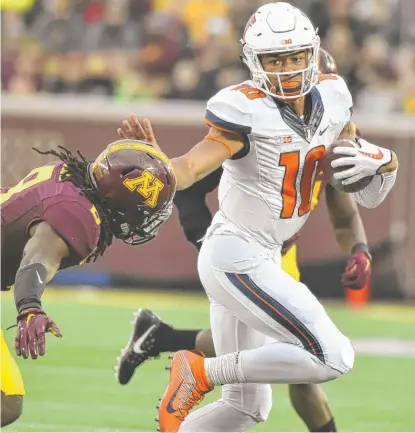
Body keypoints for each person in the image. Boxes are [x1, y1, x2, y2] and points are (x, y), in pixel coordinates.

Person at [118, 3, 398, 432]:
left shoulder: (337, 98)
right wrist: (158, 165)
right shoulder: (245, 108)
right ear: (254, 62)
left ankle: (199, 376)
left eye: (295, 57)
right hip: (236, 253)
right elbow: (192, 166)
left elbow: (343, 181)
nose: (286, 69)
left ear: (313, 54)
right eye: (274, 60)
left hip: (264, 256)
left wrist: (358, 240)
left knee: (245, 408)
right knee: (333, 356)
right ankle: (201, 372)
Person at [0, 139, 176, 427]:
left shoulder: (74, 176)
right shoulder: (78, 217)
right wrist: (30, 306)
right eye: (146, 207)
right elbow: (37, 258)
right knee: (6, 401)